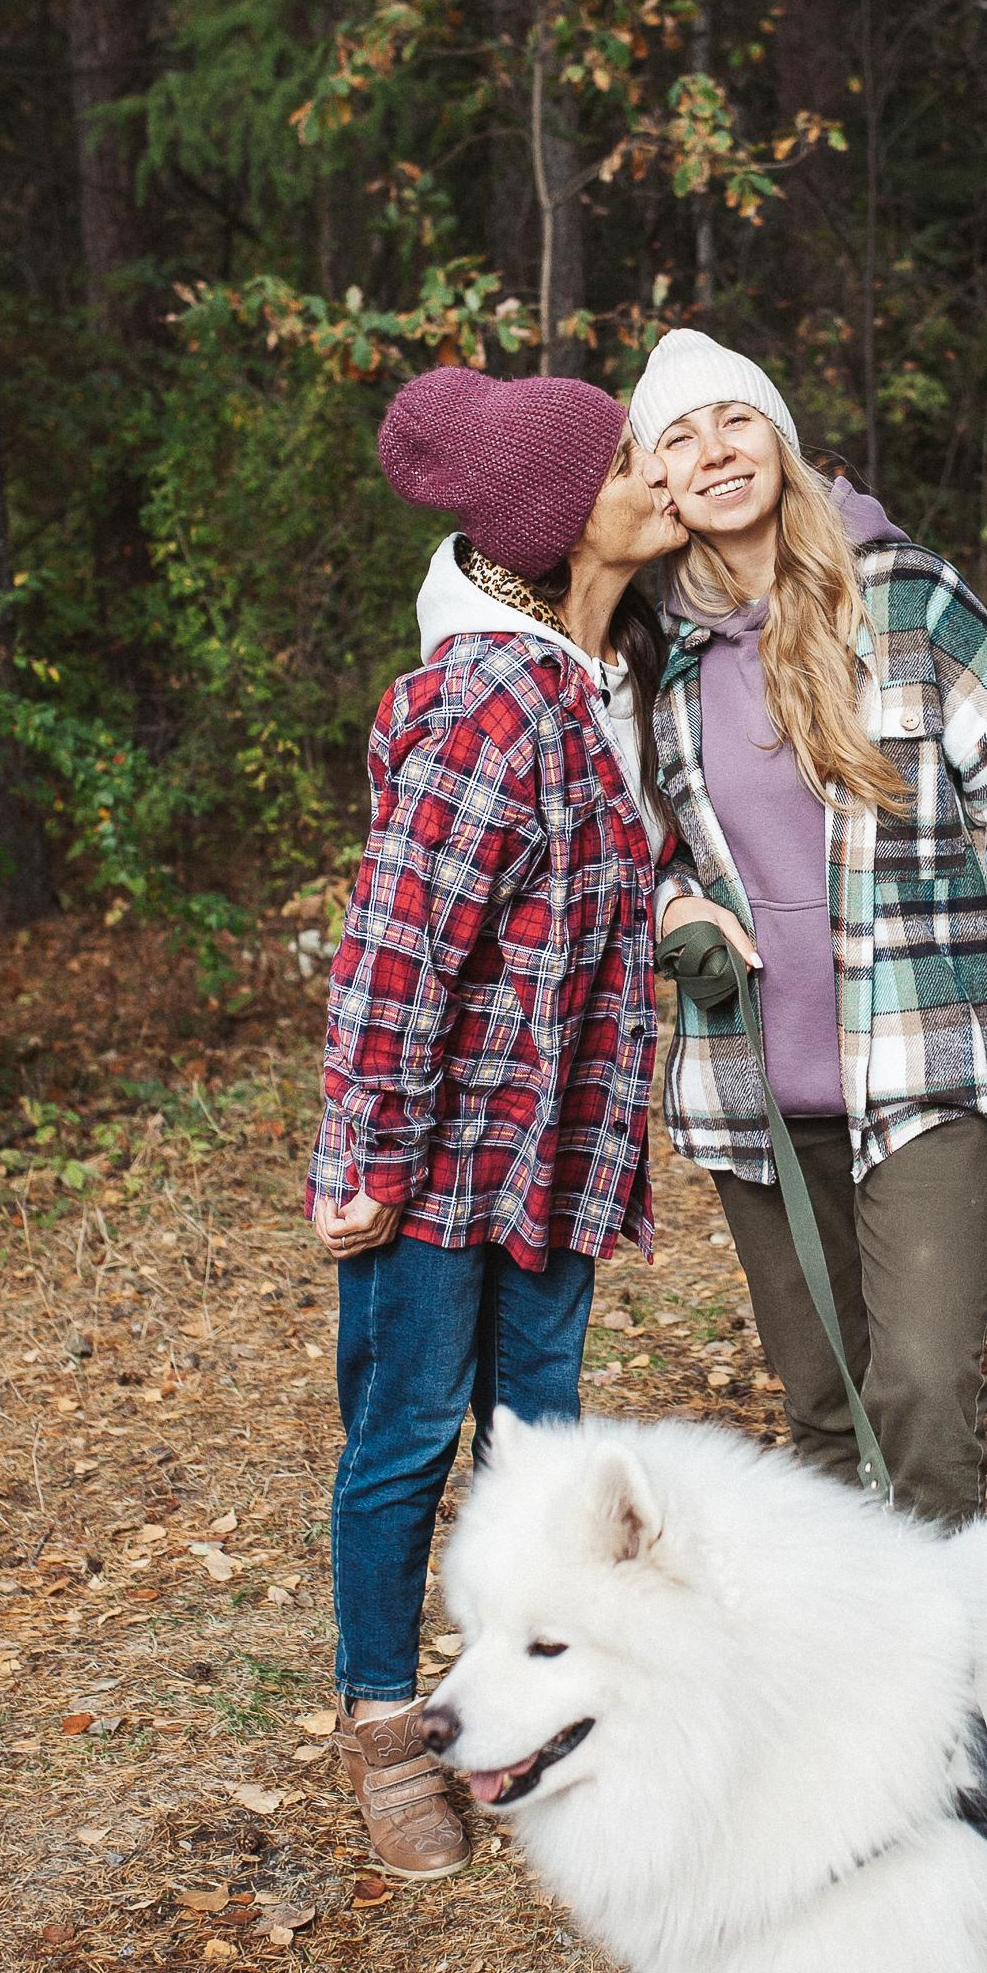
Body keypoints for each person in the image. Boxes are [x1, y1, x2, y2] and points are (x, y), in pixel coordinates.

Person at [628, 327, 987, 1524]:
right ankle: (853, 1676)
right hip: (752, 1072)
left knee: (920, 1389)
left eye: (734, 420)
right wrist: (666, 901)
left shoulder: (903, 596)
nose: (714, 451)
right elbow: (623, 846)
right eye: (678, 439)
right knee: (823, 1404)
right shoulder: (649, 649)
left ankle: (957, 1695)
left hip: (921, 1051)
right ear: (657, 481)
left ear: (780, 441)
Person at [309, 367, 682, 1877]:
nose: (656, 477)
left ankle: (530, 1699)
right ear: (553, 523)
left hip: (561, 1149)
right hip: (447, 1155)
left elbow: (596, 894)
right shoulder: (487, 702)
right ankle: (386, 1729)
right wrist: (364, 1156)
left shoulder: (601, 678)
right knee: (404, 1439)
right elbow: (396, 957)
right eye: (625, 467)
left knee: (537, 1438)